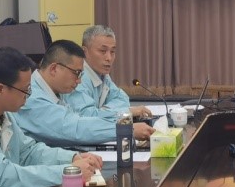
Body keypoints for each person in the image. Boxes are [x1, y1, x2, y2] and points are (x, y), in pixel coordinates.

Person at [0, 47, 103, 187]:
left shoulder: (3, 113)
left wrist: (71, 158)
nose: (28, 96)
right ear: (0, 89)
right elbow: (3, 177)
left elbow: (28, 152)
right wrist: (68, 172)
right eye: (25, 90)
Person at [16, 40, 155, 148]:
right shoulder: (31, 98)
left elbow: (82, 119)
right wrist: (126, 130)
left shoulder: (57, 90)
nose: (79, 80)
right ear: (54, 69)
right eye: (76, 73)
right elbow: (74, 128)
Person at [66, 25, 153, 121]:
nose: (109, 58)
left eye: (112, 51)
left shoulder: (102, 74)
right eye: (103, 51)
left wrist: (103, 111)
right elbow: (87, 118)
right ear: (84, 52)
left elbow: (122, 99)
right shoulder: (78, 78)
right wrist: (126, 112)